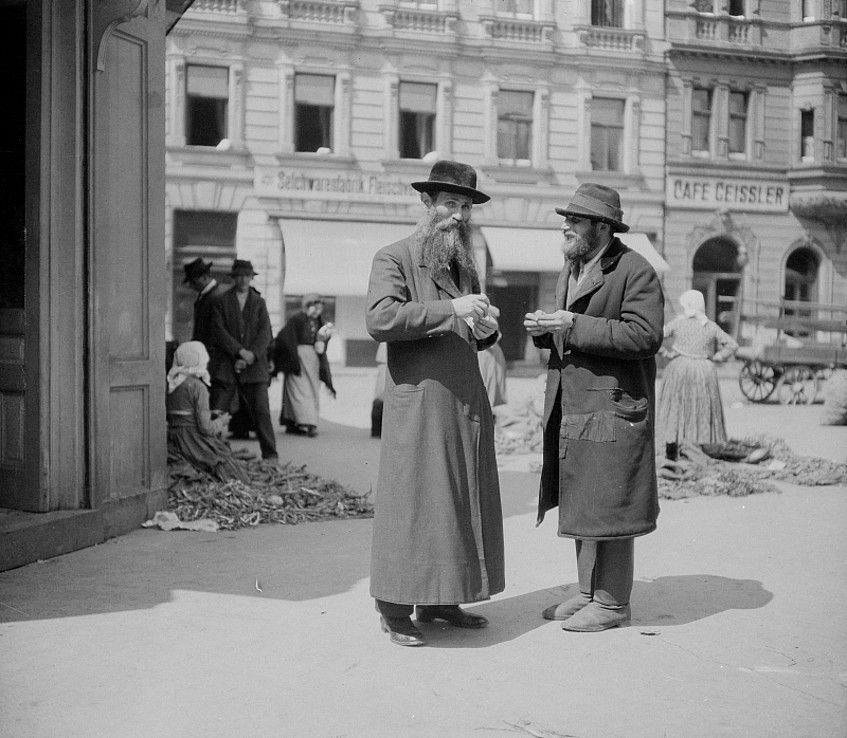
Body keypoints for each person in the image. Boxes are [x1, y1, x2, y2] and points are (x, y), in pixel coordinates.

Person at [366, 160, 505, 647]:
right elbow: (381, 319)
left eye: (466, 206)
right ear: (427, 204)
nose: (459, 215)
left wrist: (486, 331)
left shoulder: (462, 266)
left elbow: (468, 325)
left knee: (456, 498)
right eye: (450, 203)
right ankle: (393, 607)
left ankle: (442, 598)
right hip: (419, 403)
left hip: (462, 399)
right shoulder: (394, 257)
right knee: (414, 503)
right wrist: (453, 309)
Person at [523, 183, 664, 632]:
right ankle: (586, 592)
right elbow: (575, 327)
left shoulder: (635, 270)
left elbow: (644, 336)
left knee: (613, 503)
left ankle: (612, 602)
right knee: (582, 496)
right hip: (578, 403)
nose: (566, 226)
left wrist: (573, 324)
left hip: (615, 407)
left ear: (602, 227)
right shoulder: (574, 266)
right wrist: (547, 329)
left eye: (575, 220)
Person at [209, 259, 278, 461]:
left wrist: (251, 356)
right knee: (218, 410)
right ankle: (211, 453)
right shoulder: (222, 301)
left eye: (247, 276)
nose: (243, 280)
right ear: (234, 278)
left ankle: (270, 455)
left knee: (262, 411)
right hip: (228, 365)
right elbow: (219, 332)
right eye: (239, 276)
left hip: (255, 367)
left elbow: (266, 333)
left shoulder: (259, 302)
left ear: (251, 278)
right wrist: (239, 352)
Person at [657, 289, 738, 459]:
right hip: (703, 370)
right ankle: (699, 450)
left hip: (679, 368)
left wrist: (666, 353)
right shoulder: (709, 325)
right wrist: (717, 357)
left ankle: (671, 451)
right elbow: (732, 345)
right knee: (700, 408)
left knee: (676, 409)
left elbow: (654, 337)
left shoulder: (678, 323)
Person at [166, 341, 249, 484]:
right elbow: (206, 428)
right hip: (193, 441)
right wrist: (221, 422)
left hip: (174, 440)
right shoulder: (198, 387)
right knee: (236, 474)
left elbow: (184, 412)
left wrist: (209, 412)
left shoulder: (172, 384)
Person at [272, 294, 336, 438]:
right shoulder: (297, 319)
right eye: (314, 306)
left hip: (312, 361)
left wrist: (322, 343)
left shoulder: (319, 322)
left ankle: (301, 421)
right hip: (297, 359)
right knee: (298, 391)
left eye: (319, 307)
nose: (317, 310)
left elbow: (323, 339)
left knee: (311, 390)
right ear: (307, 306)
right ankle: (307, 423)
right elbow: (284, 337)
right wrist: (292, 355)